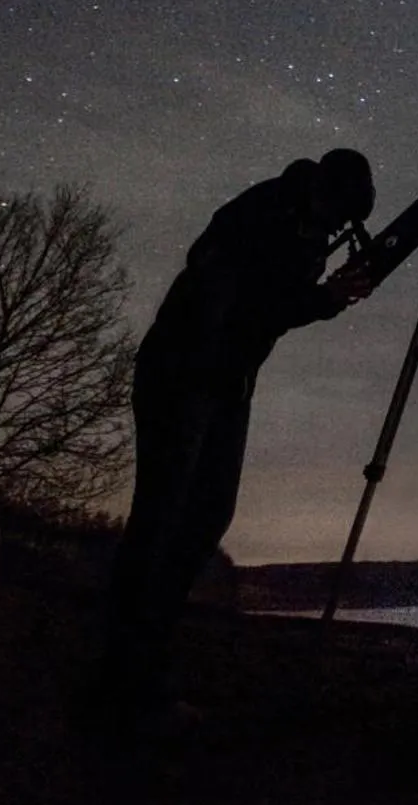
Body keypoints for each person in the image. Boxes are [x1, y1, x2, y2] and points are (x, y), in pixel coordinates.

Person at [101, 147, 377, 734]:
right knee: (162, 519)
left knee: (205, 518)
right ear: (321, 193)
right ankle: (123, 677)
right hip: (184, 375)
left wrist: (321, 299)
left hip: (227, 384)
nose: (336, 230)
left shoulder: (306, 228)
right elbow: (235, 301)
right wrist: (321, 300)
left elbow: (269, 309)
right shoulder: (260, 214)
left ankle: (146, 653)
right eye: (336, 217)